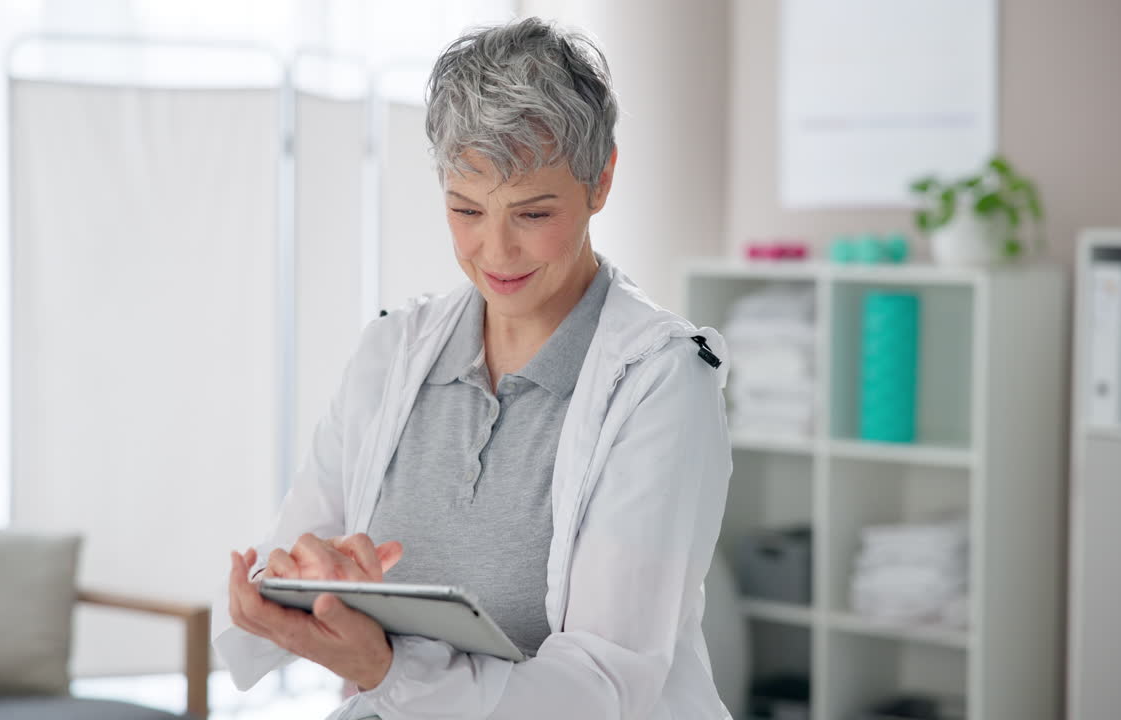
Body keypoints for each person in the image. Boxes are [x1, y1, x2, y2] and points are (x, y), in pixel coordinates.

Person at [213, 16, 733, 719]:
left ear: (601, 178)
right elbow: (296, 560)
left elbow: (602, 688)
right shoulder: (391, 356)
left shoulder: (661, 383)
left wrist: (388, 666)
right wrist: (287, 588)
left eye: (532, 213)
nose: (496, 251)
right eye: (465, 208)